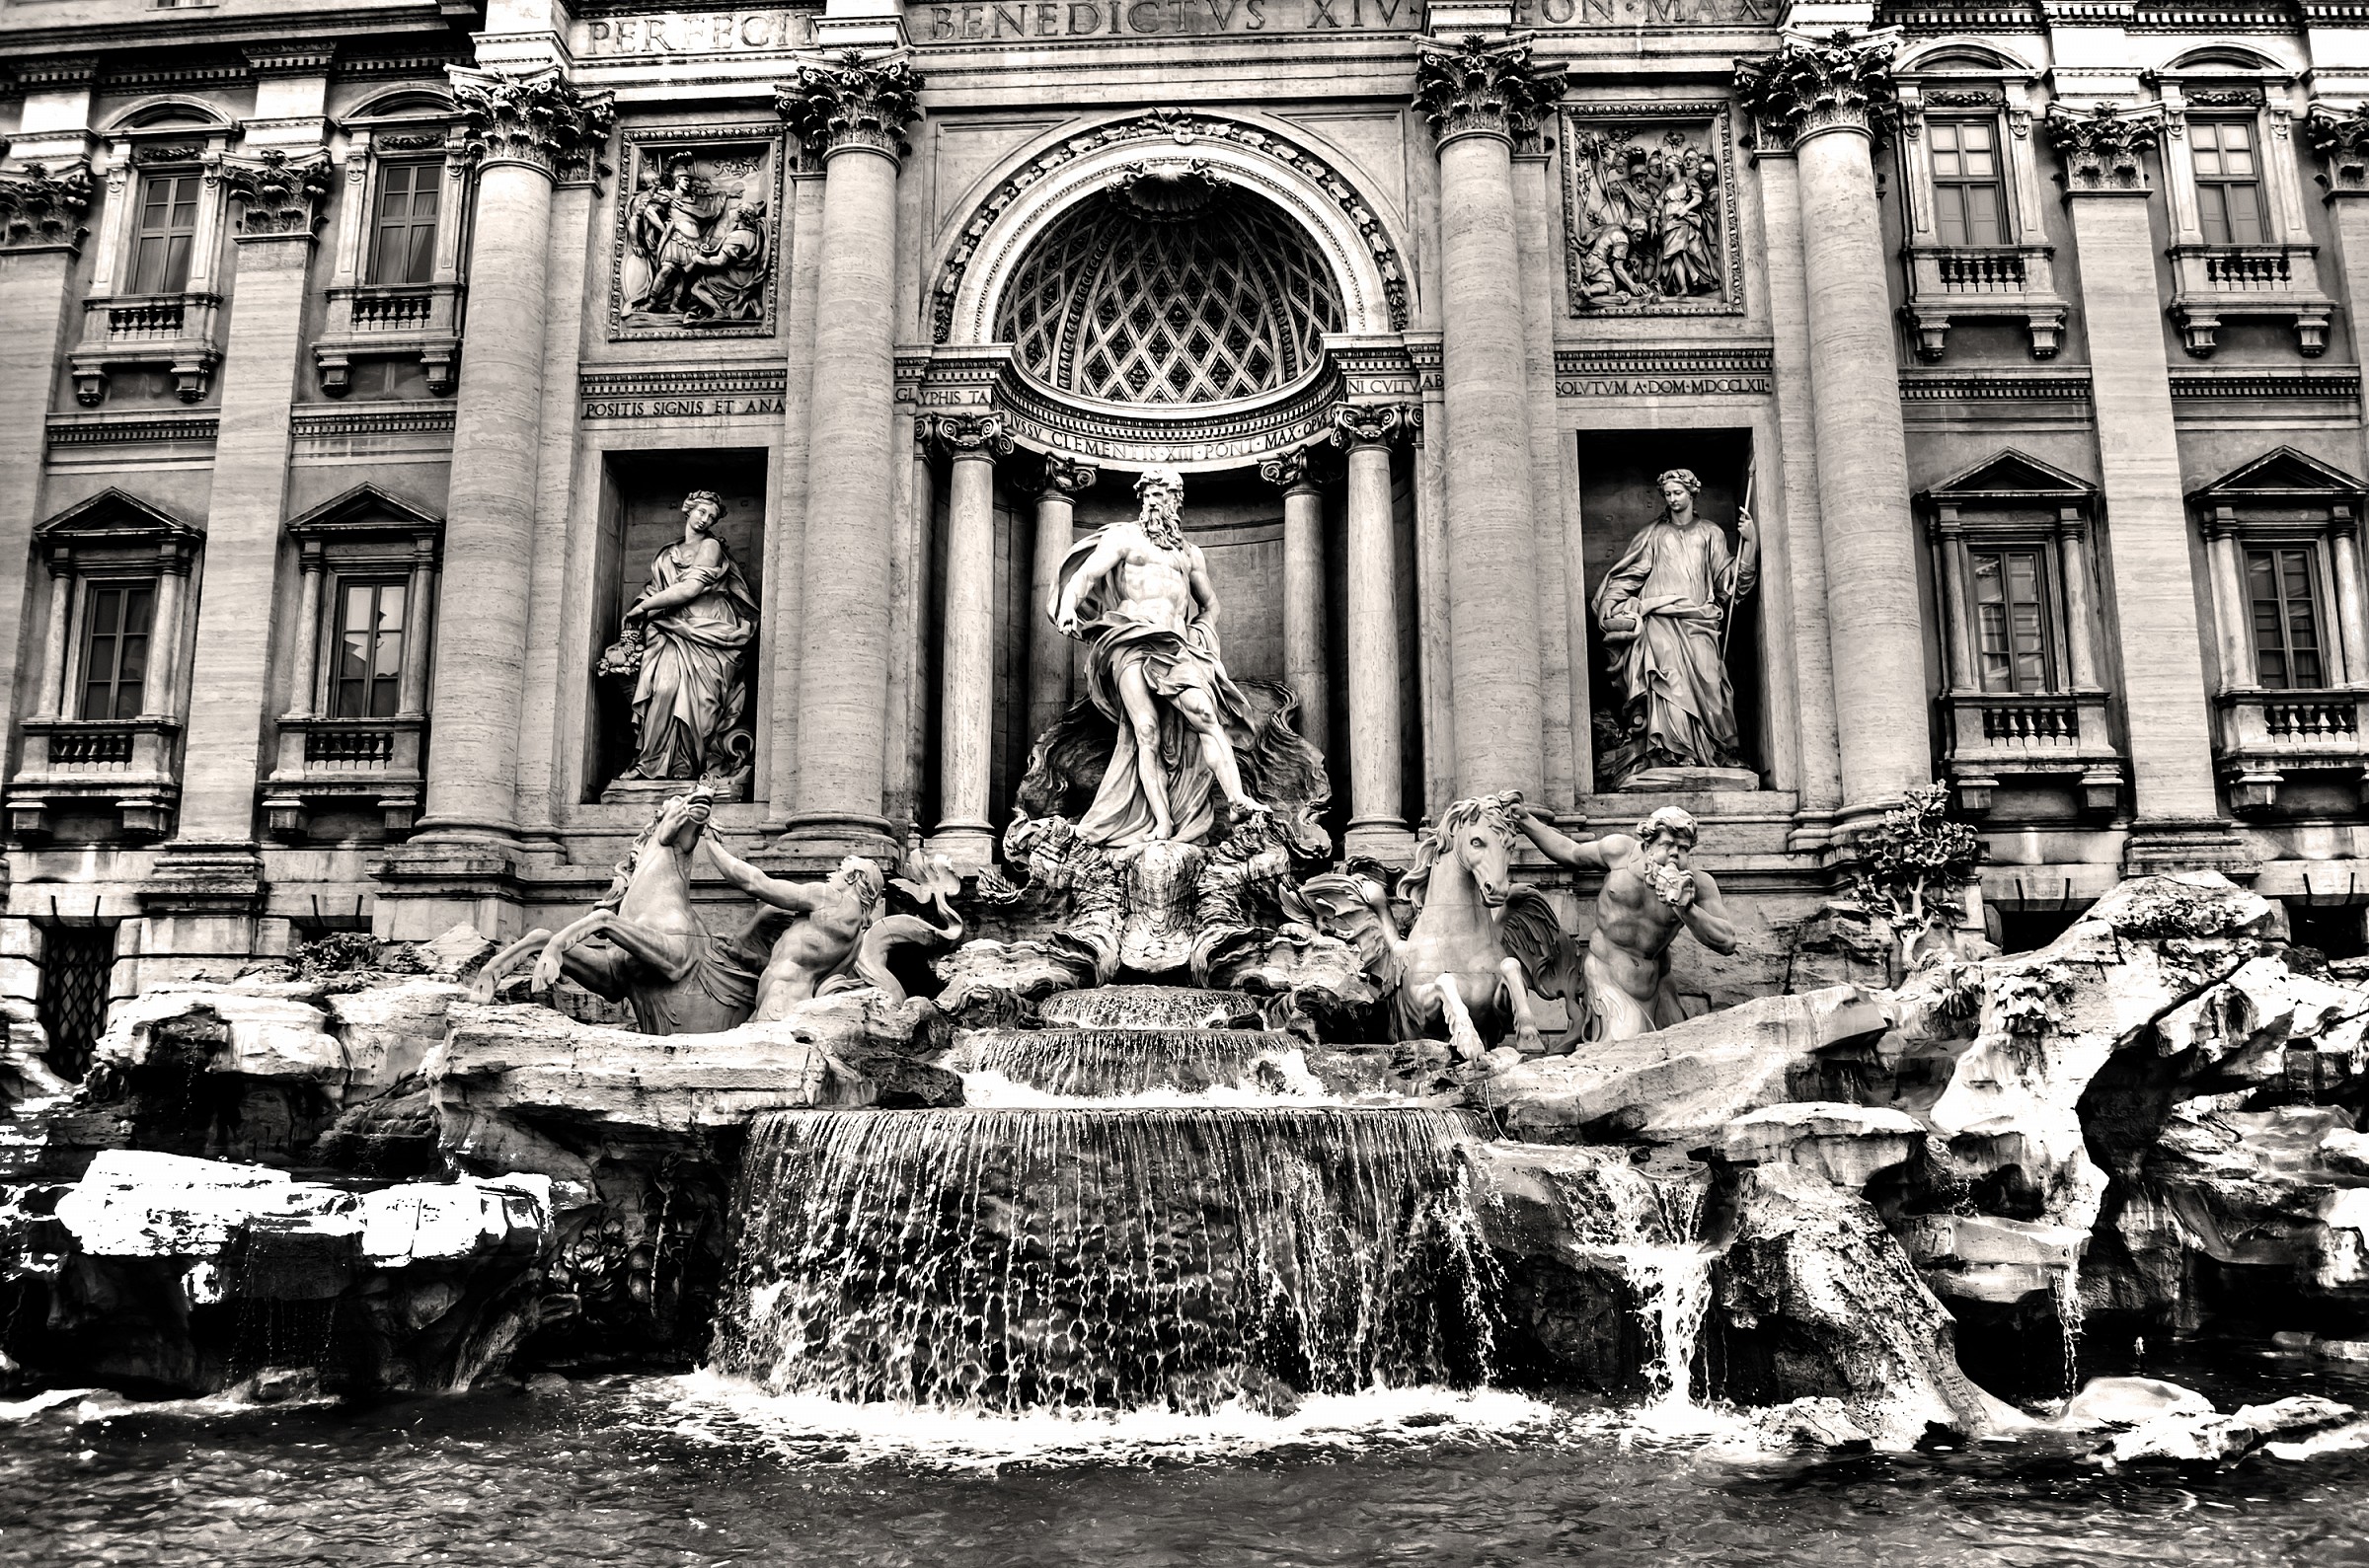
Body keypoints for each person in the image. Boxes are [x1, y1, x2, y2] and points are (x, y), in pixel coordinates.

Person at [1052, 467, 1268, 847]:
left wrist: (1201, 634)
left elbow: (1211, 604)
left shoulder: (1190, 554)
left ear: (1176, 501)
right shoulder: (1125, 538)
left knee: (1205, 713)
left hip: (1175, 647)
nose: (1152, 501)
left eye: (1161, 495)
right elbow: (1085, 577)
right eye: (1148, 495)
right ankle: (1163, 823)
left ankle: (1236, 800)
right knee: (1146, 733)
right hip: (1129, 641)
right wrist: (1068, 606)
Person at [1511, 803, 1739, 1041]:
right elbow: (1569, 851)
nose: (1674, 854)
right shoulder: (1619, 852)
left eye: (1682, 848)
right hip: (1607, 974)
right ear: (1647, 844)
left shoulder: (1699, 885)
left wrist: (1687, 908)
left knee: (1676, 1051)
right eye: (1667, 845)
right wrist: (1526, 821)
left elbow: (1728, 941)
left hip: (1658, 982)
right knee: (1624, 1049)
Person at [1591, 467, 1757, 781]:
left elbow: (1730, 585)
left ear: (1693, 493)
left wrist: (1749, 544)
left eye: (1678, 493)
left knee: (1711, 681)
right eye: (1667, 494)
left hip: (1699, 620)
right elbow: (1629, 575)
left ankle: (1714, 750)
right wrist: (1612, 605)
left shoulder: (1711, 533)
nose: (1672, 499)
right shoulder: (1654, 535)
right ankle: (1672, 752)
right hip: (1660, 620)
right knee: (1668, 683)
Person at [615, 490, 758, 783]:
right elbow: (657, 590)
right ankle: (652, 763)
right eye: (701, 512)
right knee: (664, 690)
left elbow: (690, 589)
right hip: (670, 628)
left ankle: (687, 766)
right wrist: (639, 610)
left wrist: (643, 609)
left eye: (711, 517)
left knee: (701, 702)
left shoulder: (711, 547)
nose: (705, 519)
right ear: (687, 509)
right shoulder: (667, 554)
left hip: (708, 629)